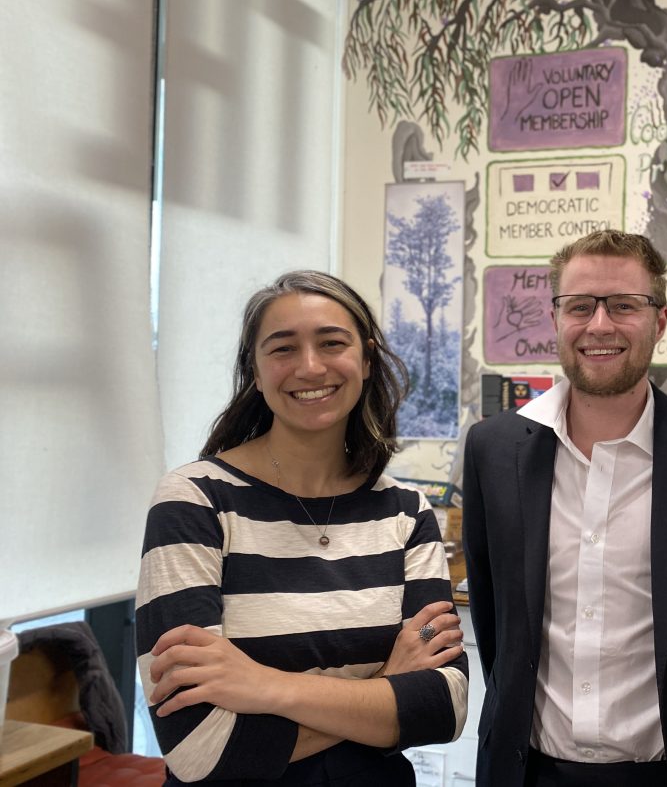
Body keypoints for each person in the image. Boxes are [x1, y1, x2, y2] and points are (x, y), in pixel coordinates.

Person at [462, 230, 667, 787]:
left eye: (624, 305)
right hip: (526, 772)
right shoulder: (493, 450)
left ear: (659, 321)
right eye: (580, 306)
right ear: (556, 318)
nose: (600, 325)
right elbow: (495, 624)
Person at [135, 271, 468, 785]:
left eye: (332, 343)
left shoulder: (406, 509)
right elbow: (200, 748)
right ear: (256, 369)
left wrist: (264, 686)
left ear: (366, 358)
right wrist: (386, 687)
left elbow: (443, 708)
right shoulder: (194, 500)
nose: (310, 367)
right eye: (283, 348)